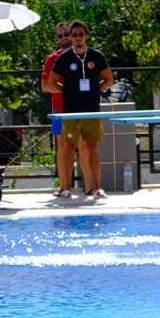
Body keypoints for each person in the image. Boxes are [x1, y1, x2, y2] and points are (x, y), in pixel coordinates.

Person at [50, 20, 114, 200]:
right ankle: (66, 188)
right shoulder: (64, 58)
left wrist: (96, 89)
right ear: (71, 37)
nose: (78, 38)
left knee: (92, 147)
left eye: (81, 34)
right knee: (68, 147)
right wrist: (67, 91)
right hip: (71, 111)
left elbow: (109, 79)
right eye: (74, 35)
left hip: (91, 110)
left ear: (86, 36)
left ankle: (97, 188)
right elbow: (50, 83)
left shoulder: (96, 56)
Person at [41, 21, 74, 195]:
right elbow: (45, 86)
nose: (64, 38)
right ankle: (64, 187)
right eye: (60, 36)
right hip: (60, 109)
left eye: (66, 34)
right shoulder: (52, 58)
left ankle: (92, 187)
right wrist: (68, 90)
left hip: (82, 108)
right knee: (63, 147)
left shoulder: (84, 55)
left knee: (85, 146)